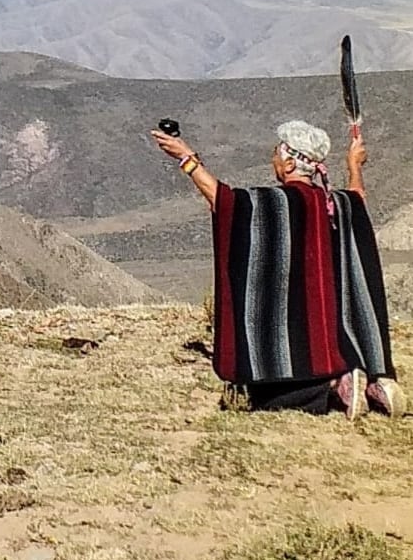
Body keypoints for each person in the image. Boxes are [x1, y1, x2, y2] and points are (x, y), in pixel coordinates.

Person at [151, 119, 403, 419]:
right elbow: (358, 198)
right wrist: (354, 165)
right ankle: (359, 378)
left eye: (275, 154)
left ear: (287, 160)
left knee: (271, 390)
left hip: (300, 360)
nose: (274, 160)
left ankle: (336, 385)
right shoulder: (335, 203)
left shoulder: (277, 204)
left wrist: (186, 159)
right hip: (337, 347)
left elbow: (224, 201)